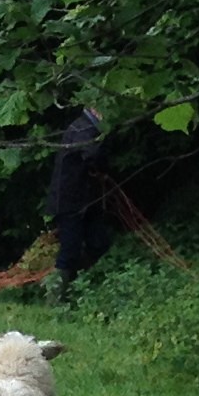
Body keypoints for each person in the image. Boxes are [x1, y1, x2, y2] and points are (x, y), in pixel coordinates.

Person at [48, 105, 112, 290]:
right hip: (69, 200)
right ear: (93, 108)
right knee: (69, 249)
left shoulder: (89, 128)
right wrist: (102, 170)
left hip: (87, 198)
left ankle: (80, 286)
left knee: (99, 243)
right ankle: (56, 299)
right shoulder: (83, 128)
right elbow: (91, 154)